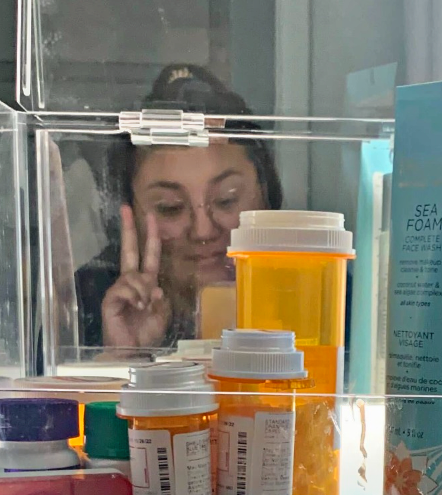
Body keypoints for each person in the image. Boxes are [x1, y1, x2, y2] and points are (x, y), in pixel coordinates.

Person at [74, 65, 284, 349]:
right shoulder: (87, 301)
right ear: (127, 216)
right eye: (170, 208)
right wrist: (123, 358)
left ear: (266, 195)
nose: (203, 230)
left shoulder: (326, 292)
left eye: (227, 199)